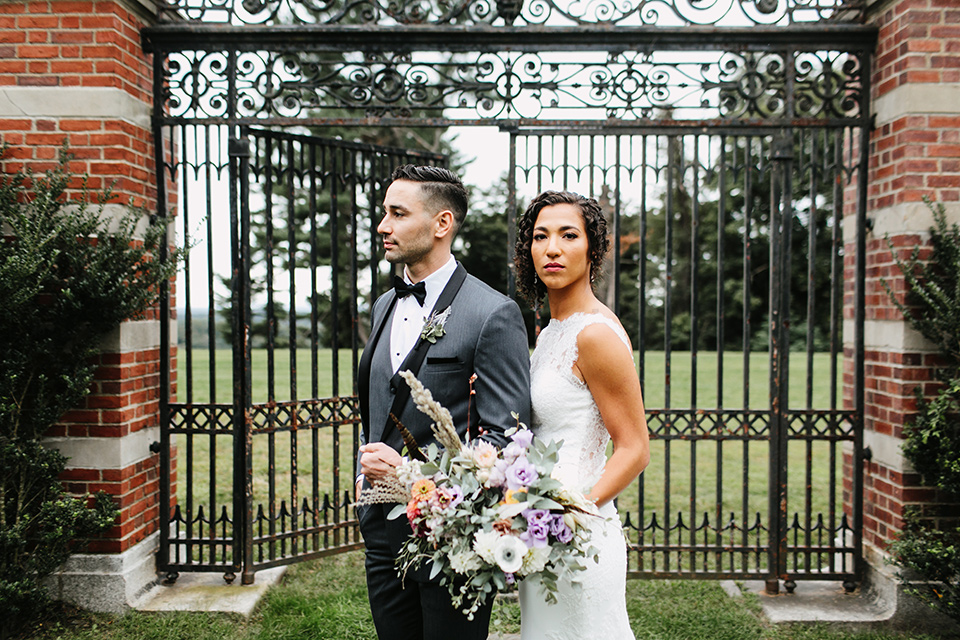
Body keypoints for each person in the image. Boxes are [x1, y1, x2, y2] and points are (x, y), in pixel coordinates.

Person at [356, 164, 532, 640]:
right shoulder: (384, 306)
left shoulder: (493, 313)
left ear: (441, 224)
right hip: (381, 529)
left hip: (452, 538)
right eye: (384, 213)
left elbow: (506, 442)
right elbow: (377, 406)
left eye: (397, 213)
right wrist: (364, 477)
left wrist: (414, 479)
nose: (383, 226)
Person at [514, 190, 650, 639]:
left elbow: (634, 449)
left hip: (579, 536)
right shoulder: (553, 331)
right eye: (540, 236)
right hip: (540, 533)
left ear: (593, 248)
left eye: (568, 235)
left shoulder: (594, 334)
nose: (552, 248)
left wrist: (569, 515)